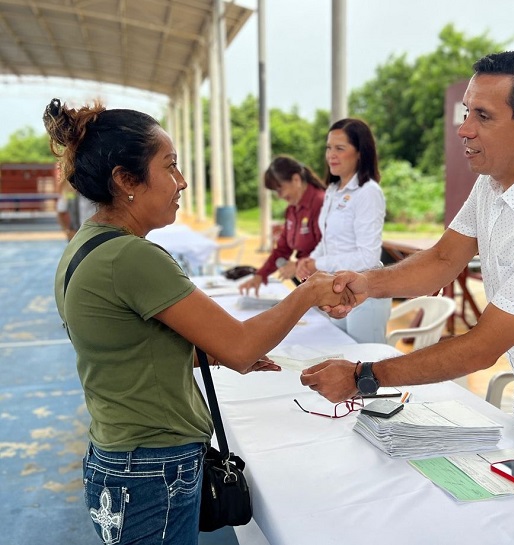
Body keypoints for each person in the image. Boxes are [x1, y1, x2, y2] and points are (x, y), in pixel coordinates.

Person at [300, 51, 514, 486]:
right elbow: (443, 259)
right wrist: (365, 283)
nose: (464, 129)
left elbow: (481, 347)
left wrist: (363, 377)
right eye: (468, 111)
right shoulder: (494, 178)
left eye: (483, 116)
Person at [43, 98, 353, 545]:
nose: (181, 181)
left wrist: (215, 353)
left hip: (120, 458)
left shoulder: (84, 247)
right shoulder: (130, 257)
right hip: (152, 467)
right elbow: (242, 344)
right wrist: (307, 293)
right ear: (126, 180)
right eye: (169, 167)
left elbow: (130, 349)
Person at [296, 118, 392, 344]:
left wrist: (318, 265)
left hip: (366, 295)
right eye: (329, 148)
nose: (331, 155)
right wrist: (310, 259)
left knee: (364, 366)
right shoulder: (332, 190)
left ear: (360, 153)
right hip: (337, 291)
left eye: (340, 148)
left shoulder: (368, 192)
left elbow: (368, 257)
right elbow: (328, 240)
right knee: (338, 356)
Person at [239, 155, 325, 295]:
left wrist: (298, 265)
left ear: (296, 179)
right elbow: (282, 249)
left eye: (280, 189)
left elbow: (329, 250)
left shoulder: (320, 203)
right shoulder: (292, 209)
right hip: (310, 284)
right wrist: (260, 276)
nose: (279, 196)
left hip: (329, 284)